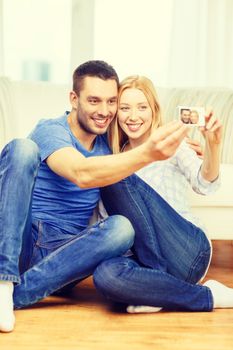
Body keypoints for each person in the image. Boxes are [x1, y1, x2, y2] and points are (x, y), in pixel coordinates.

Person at [0, 61, 189, 332]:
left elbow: (140, 131)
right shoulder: (51, 131)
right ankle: (4, 283)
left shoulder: (110, 146)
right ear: (74, 99)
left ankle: (11, 298)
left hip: (68, 255)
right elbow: (80, 172)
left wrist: (183, 146)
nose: (104, 111)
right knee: (21, 148)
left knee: (122, 228)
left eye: (112, 101)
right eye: (94, 100)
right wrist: (148, 152)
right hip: (23, 241)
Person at [94, 75, 233, 313]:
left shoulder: (172, 144)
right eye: (125, 108)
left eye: (142, 107)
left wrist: (213, 144)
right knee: (105, 276)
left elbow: (205, 183)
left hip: (185, 251)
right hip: (140, 260)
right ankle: (204, 296)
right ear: (116, 114)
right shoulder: (113, 156)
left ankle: (154, 279)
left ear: (154, 110)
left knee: (116, 172)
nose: (133, 116)